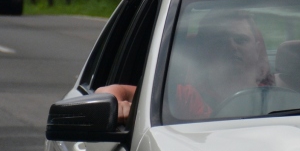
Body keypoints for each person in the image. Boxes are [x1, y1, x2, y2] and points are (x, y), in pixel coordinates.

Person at [98, 11, 273, 123]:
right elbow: (111, 91)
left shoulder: (278, 93)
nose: (232, 47)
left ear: (258, 49)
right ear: (205, 51)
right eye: (221, 42)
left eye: (241, 40)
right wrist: (118, 105)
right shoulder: (180, 96)